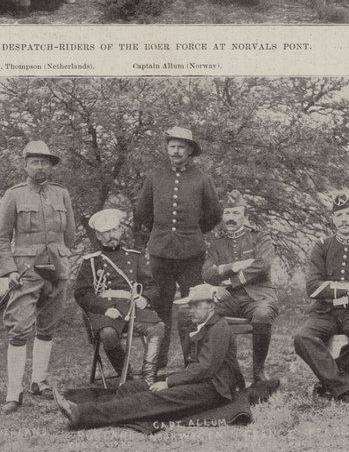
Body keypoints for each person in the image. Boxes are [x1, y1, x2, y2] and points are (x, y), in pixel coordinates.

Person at [53, 285, 244, 430]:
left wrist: (169, 382)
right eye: (190, 305)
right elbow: (198, 369)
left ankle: (82, 415)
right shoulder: (204, 326)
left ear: (211, 306)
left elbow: (206, 368)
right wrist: (173, 381)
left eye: (196, 306)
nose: (190, 310)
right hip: (199, 381)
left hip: (214, 390)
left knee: (150, 398)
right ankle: (84, 405)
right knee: (132, 387)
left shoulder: (219, 328)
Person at [134, 126, 222, 375]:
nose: (176, 151)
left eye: (181, 147)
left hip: (191, 254)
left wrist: (191, 231)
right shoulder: (155, 177)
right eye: (172, 146)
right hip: (160, 253)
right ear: (167, 148)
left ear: (190, 151)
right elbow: (142, 212)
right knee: (160, 306)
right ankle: (158, 363)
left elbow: (213, 213)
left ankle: (191, 361)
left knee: (191, 307)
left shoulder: (201, 179)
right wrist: (161, 233)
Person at [0, 140, 76, 411]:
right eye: (34, 162)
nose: (40, 167)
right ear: (25, 165)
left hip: (57, 270)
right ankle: (13, 392)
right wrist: (10, 270)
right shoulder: (14, 195)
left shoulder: (61, 194)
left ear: (51, 166)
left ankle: (38, 381)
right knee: (19, 329)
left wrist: (62, 257)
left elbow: (70, 235)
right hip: (26, 272)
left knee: (48, 327)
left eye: (45, 162)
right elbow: (3, 238)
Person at [293, 195, 349, 408]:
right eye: (339, 215)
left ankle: (326, 386)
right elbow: (312, 288)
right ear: (333, 220)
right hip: (325, 312)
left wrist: (331, 288)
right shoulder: (322, 246)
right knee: (301, 337)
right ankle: (347, 388)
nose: (344, 219)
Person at [73, 208, 165, 382]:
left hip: (132, 308)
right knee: (108, 334)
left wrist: (145, 298)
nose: (111, 235)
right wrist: (105, 309)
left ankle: (148, 374)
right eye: (106, 232)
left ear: (120, 231)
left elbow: (152, 285)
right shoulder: (91, 261)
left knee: (158, 327)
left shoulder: (134, 257)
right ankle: (126, 375)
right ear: (99, 236)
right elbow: (81, 293)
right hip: (106, 312)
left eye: (114, 230)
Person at [202, 190, 279, 383]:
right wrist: (232, 266)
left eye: (236, 213)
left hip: (258, 295)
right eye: (227, 213)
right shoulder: (217, 244)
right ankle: (207, 368)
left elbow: (262, 265)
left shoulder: (260, 237)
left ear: (245, 216)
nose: (231, 218)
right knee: (199, 313)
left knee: (262, 315)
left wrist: (231, 280)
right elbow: (207, 273)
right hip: (229, 298)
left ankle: (258, 370)